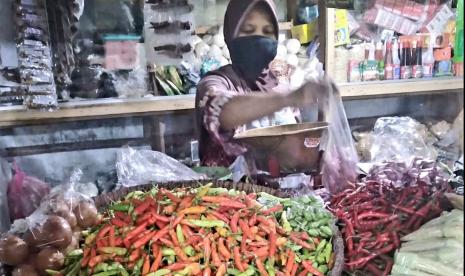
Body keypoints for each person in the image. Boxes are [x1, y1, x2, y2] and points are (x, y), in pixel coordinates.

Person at [195, 0, 330, 168]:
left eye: (268, 31)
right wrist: (287, 99)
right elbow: (223, 110)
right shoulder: (216, 82)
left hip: (281, 191)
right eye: (248, 30)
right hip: (227, 192)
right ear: (230, 33)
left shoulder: (282, 82)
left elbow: (293, 152)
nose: (259, 38)